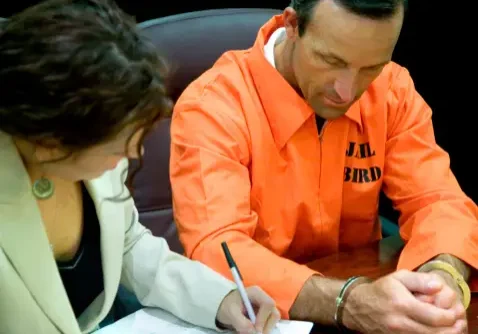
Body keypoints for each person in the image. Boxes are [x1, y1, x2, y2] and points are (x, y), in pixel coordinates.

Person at [170, 0, 477, 333]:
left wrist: (443, 277)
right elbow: (217, 250)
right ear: (291, 25)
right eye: (330, 61)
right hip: (256, 321)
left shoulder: (391, 89)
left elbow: (439, 203)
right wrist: (347, 302)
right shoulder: (213, 105)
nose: (346, 91)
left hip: (368, 307)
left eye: (371, 67)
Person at [0, 1, 281, 333]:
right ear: (49, 144)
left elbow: (129, 245)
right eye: (117, 145)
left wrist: (220, 299)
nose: (134, 152)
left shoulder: (96, 155)